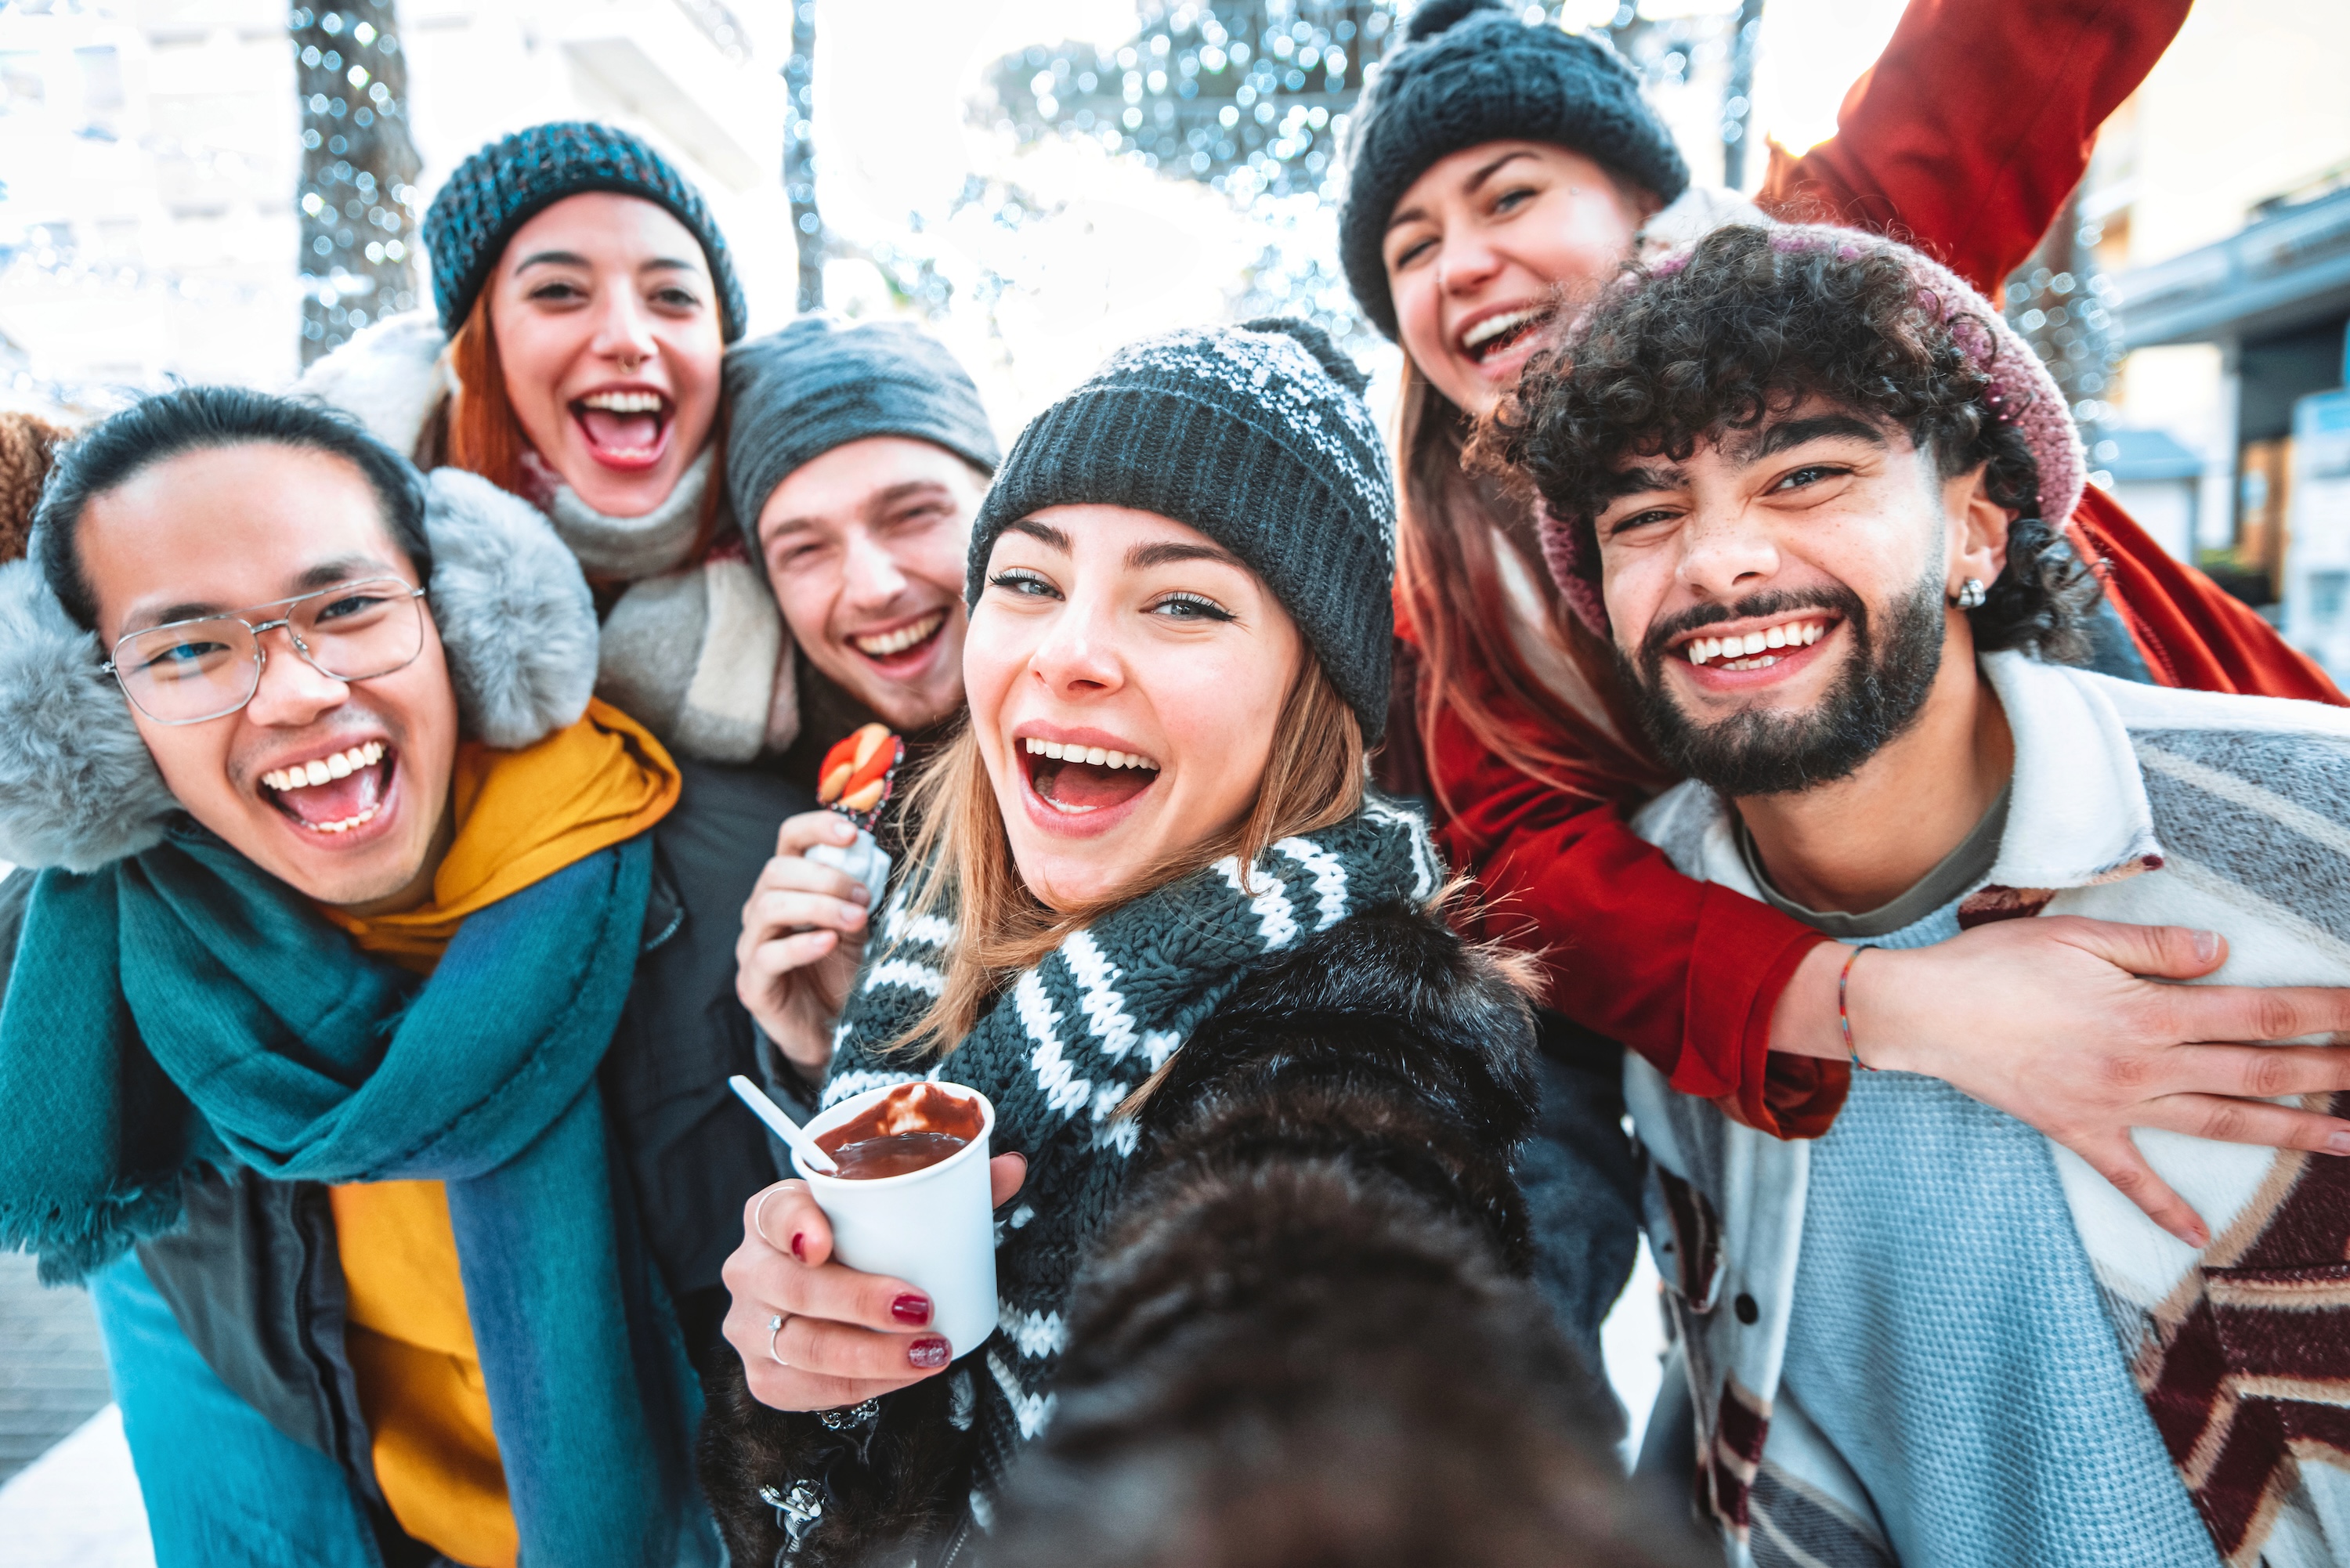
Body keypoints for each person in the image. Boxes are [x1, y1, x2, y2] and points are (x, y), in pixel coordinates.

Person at [1336, 0, 2350, 1244]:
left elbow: (2024, 40)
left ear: (1641, 200)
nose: (1461, 264)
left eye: (1507, 198)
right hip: (1845, 1124)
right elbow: (1537, 881)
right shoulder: (1442, 617)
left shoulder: (1835, 267)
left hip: (2224, 898)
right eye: (1410, 248)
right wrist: (1893, 1003)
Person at [1488, 220, 2350, 1567]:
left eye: (1806, 475)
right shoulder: (1652, 947)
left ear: (1975, 529)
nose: (1717, 560)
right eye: (1648, 515)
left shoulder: (2313, 832)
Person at [692, 320, 1622, 1565]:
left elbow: (1325, 1292)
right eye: (1027, 580)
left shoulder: (1360, 1040)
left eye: (1182, 600)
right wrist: (805, 1381)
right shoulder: (920, 948)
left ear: (1313, 688)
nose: (1070, 651)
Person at [0, 387, 806, 1567]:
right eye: (186, 648)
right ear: (98, 718)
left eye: (348, 606)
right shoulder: (89, 989)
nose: (297, 691)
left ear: (470, 615)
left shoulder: (745, 880)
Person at [301, 121, 794, 765]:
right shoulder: (318, 577)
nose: (627, 339)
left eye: (673, 297)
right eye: (559, 292)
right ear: (482, 348)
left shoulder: (819, 554)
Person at [721, 314, 1002, 802]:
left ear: (1001, 504)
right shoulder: (736, 822)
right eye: (805, 549)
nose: (874, 589)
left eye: (913, 514)